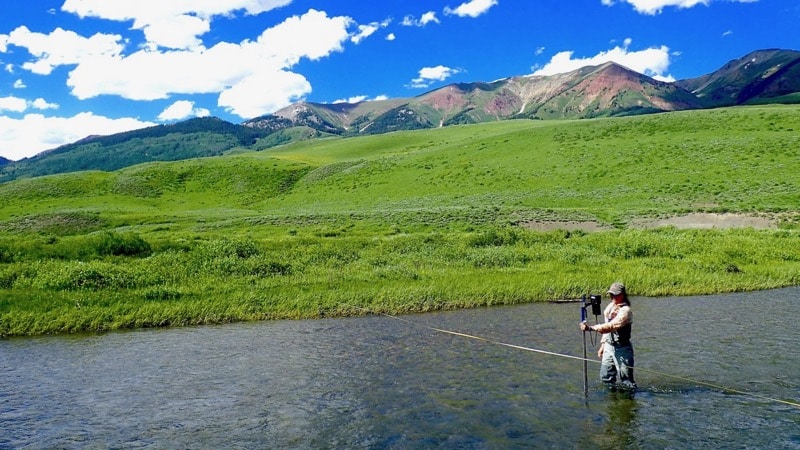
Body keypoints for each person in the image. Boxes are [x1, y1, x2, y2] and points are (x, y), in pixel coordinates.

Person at [580, 282, 636, 389]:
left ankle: (628, 401)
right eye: (611, 294)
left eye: (616, 295)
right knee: (606, 377)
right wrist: (603, 346)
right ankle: (612, 399)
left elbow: (611, 326)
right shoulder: (610, 307)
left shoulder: (626, 311)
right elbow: (607, 329)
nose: (613, 297)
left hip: (622, 348)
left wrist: (591, 328)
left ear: (622, 295)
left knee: (626, 381)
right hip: (609, 346)